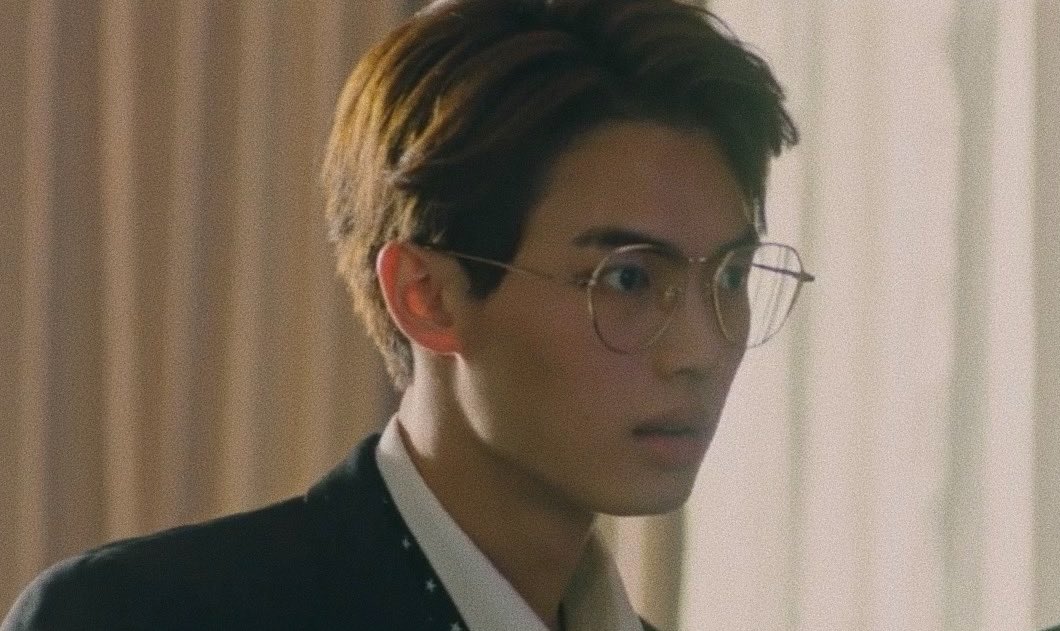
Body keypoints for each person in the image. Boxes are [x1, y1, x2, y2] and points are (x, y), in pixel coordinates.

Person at [2, 0, 809, 629]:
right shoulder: (143, 617)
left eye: (731, 274)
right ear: (427, 295)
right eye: (627, 278)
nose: (700, 348)